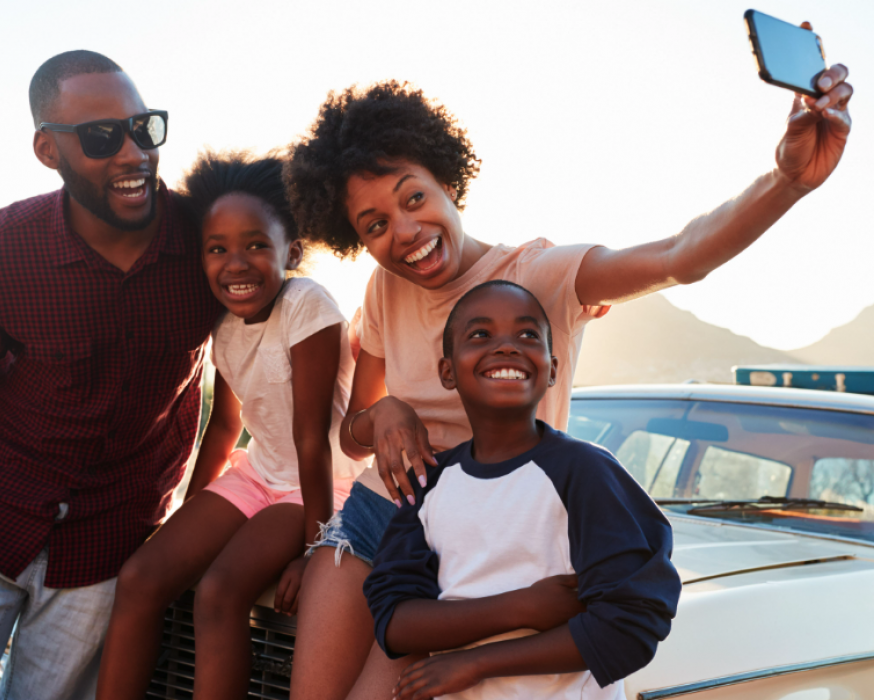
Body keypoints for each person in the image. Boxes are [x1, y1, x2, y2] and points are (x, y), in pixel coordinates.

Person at [282, 68, 852, 699]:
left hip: (473, 545)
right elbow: (355, 434)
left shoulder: (539, 275)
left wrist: (789, 181)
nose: (404, 232)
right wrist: (385, 410)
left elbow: (681, 255)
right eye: (375, 225)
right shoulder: (385, 288)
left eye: (413, 198)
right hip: (374, 518)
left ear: (447, 181)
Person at [0, 51, 220, 700]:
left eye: (143, 129)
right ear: (47, 150)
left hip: (110, 540)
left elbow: (240, 387)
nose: (132, 154)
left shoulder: (208, 244)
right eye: (100, 137)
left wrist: (189, 523)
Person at [95, 151, 369, 700]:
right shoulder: (223, 324)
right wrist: (188, 515)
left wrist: (316, 551)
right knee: (140, 579)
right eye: (217, 249)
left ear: (289, 251)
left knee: (219, 592)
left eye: (255, 246)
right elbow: (223, 427)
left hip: (318, 486)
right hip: (258, 474)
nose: (235, 263)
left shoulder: (307, 305)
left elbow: (311, 437)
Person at [364, 280, 681, 700]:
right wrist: (520, 608)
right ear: (447, 371)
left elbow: (631, 626)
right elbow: (394, 620)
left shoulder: (585, 472)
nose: (507, 346)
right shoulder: (431, 483)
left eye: (527, 334)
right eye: (480, 335)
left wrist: (474, 662)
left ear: (552, 369)